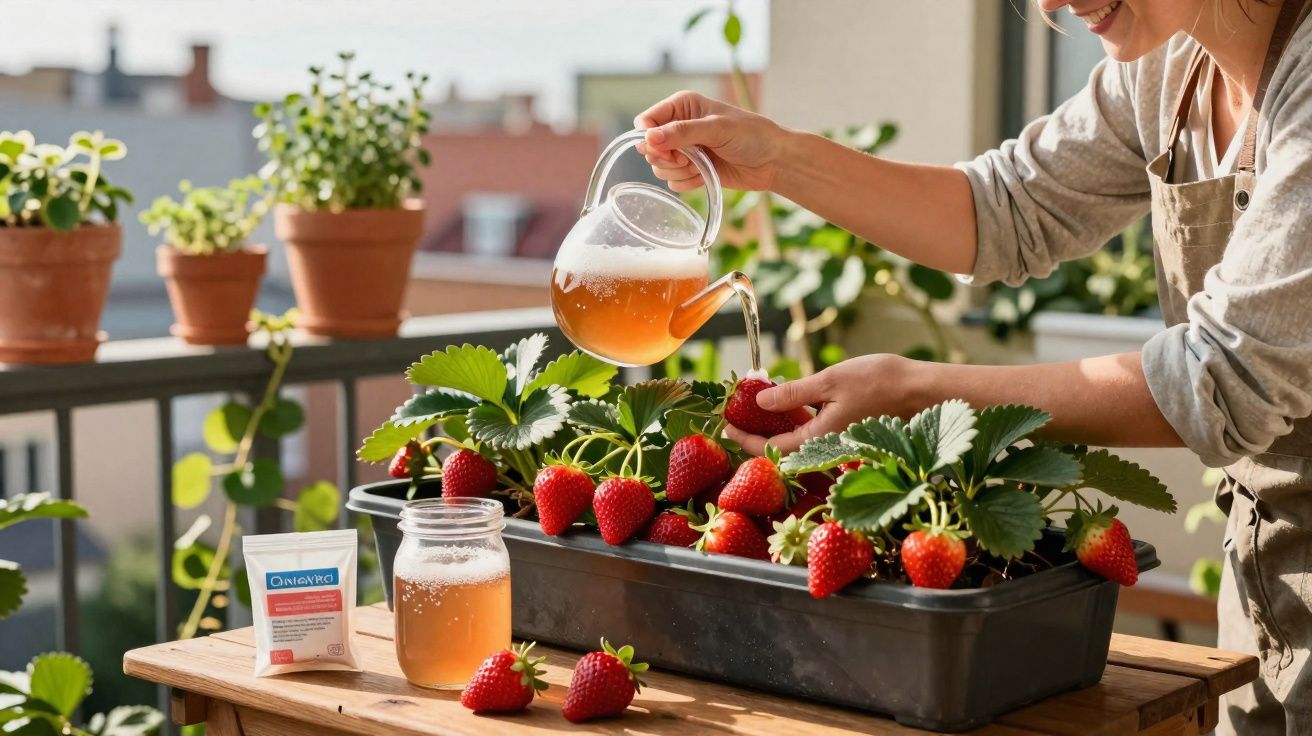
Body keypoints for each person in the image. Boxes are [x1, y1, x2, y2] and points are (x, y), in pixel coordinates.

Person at [636, 1, 1312, 733]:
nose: (1052, 4)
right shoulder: (1173, 64)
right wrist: (778, 159)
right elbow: (1006, 210)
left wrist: (920, 397)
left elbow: (1223, 376)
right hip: (1265, 581)